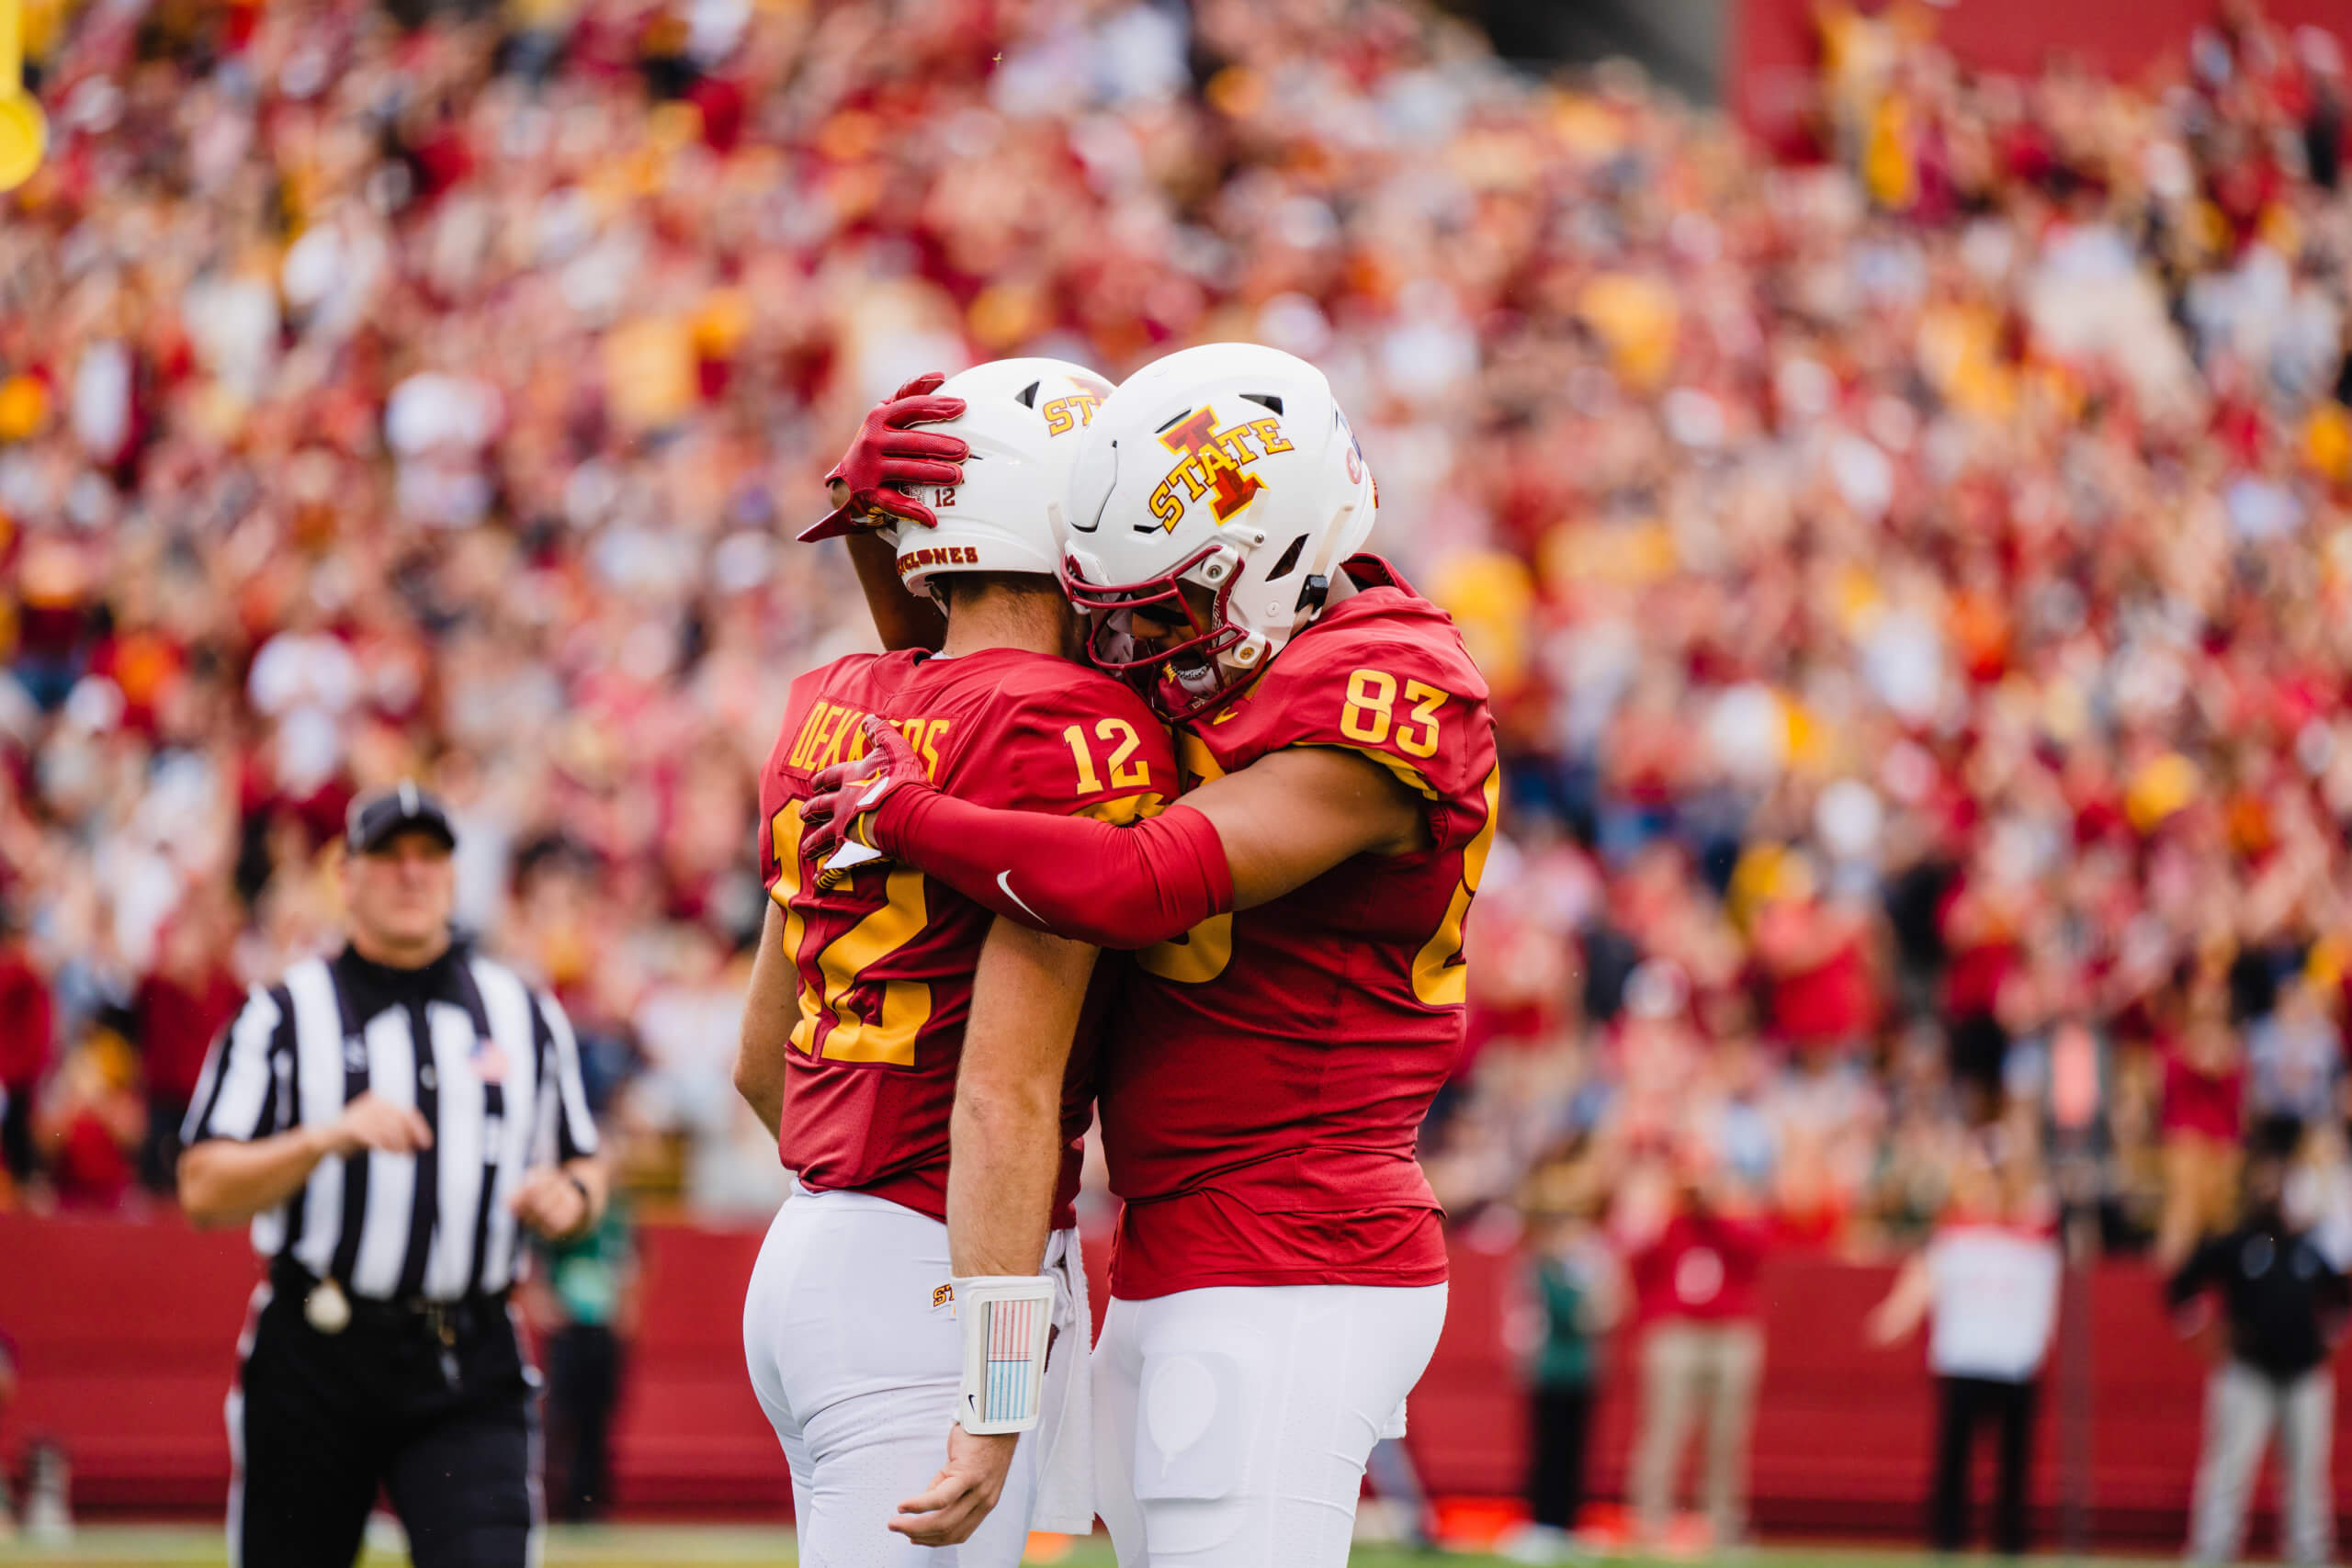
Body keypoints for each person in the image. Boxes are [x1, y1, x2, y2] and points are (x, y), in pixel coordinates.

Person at [800, 342, 1498, 1566]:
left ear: (1274, 556)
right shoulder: (1248, 642)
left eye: (1159, 612)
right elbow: (990, 685)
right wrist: (891, 529)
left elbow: (1127, 881)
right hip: (1184, 1244)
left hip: (1295, 1247)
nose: (1126, 649)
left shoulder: (1389, 687)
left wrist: (896, 813)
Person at [734, 357, 1169, 1566]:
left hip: (815, 1245)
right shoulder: (1071, 724)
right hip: (938, 1271)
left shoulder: (832, 698)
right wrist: (989, 1379)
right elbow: (1003, 1089)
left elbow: (756, 1062)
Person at [176, 782, 608, 1568]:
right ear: (346, 875)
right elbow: (202, 1186)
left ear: (453, 874)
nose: (411, 874)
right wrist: (322, 1139)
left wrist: (570, 1197)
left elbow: (584, 1162)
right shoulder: (280, 1014)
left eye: (430, 856)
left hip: (467, 1355)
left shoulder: (523, 1011)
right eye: (388, 856)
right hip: (315, 1353)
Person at [1866, 1146, 2060, 1556]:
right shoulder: (1956, 1236)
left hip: (2014, 1362)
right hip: (1964, 1359)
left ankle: (2010, 1546)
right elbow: (1924, 1276)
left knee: (2014, 1466)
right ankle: (1948, 1542)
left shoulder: (2034, 1238)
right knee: (1954, 1463)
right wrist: (1897, 1314)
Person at [2168, 1147, 2350, 1567]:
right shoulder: (2240, 1243)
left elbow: (2341, 1297)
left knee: (2308, 1476)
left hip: (2304, 1375)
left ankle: (2311, 1554)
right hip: (2248, 1372)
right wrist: (2202, 1334)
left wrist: (2330, 1339)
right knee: (2228, 1469)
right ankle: (2212, 1551)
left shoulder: (2309, 1247)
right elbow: (2181, 1284)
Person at [1620, 1155, 1768, 1550]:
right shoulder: (1668, 1224)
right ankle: (1649, 1521)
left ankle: (1723, 1524)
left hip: (1729, 1333)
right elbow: (1639, 1266)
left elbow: (1754, 1255)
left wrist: (1716, 1211)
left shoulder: (1733, 1221)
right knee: (1664, 1430)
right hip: (1676, 1331)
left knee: (1726, 1435)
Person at [1510, 1173, 1620, 1564]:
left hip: (1579, 1368)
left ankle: (1568, 1523)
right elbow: (1551, 1314)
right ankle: (1542, 1522)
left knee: (1574, 1449)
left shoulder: (1589, 1260)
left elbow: (1607, 1310)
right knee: (1545, 1448)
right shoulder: (1540, 1265)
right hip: (1547, 1367)